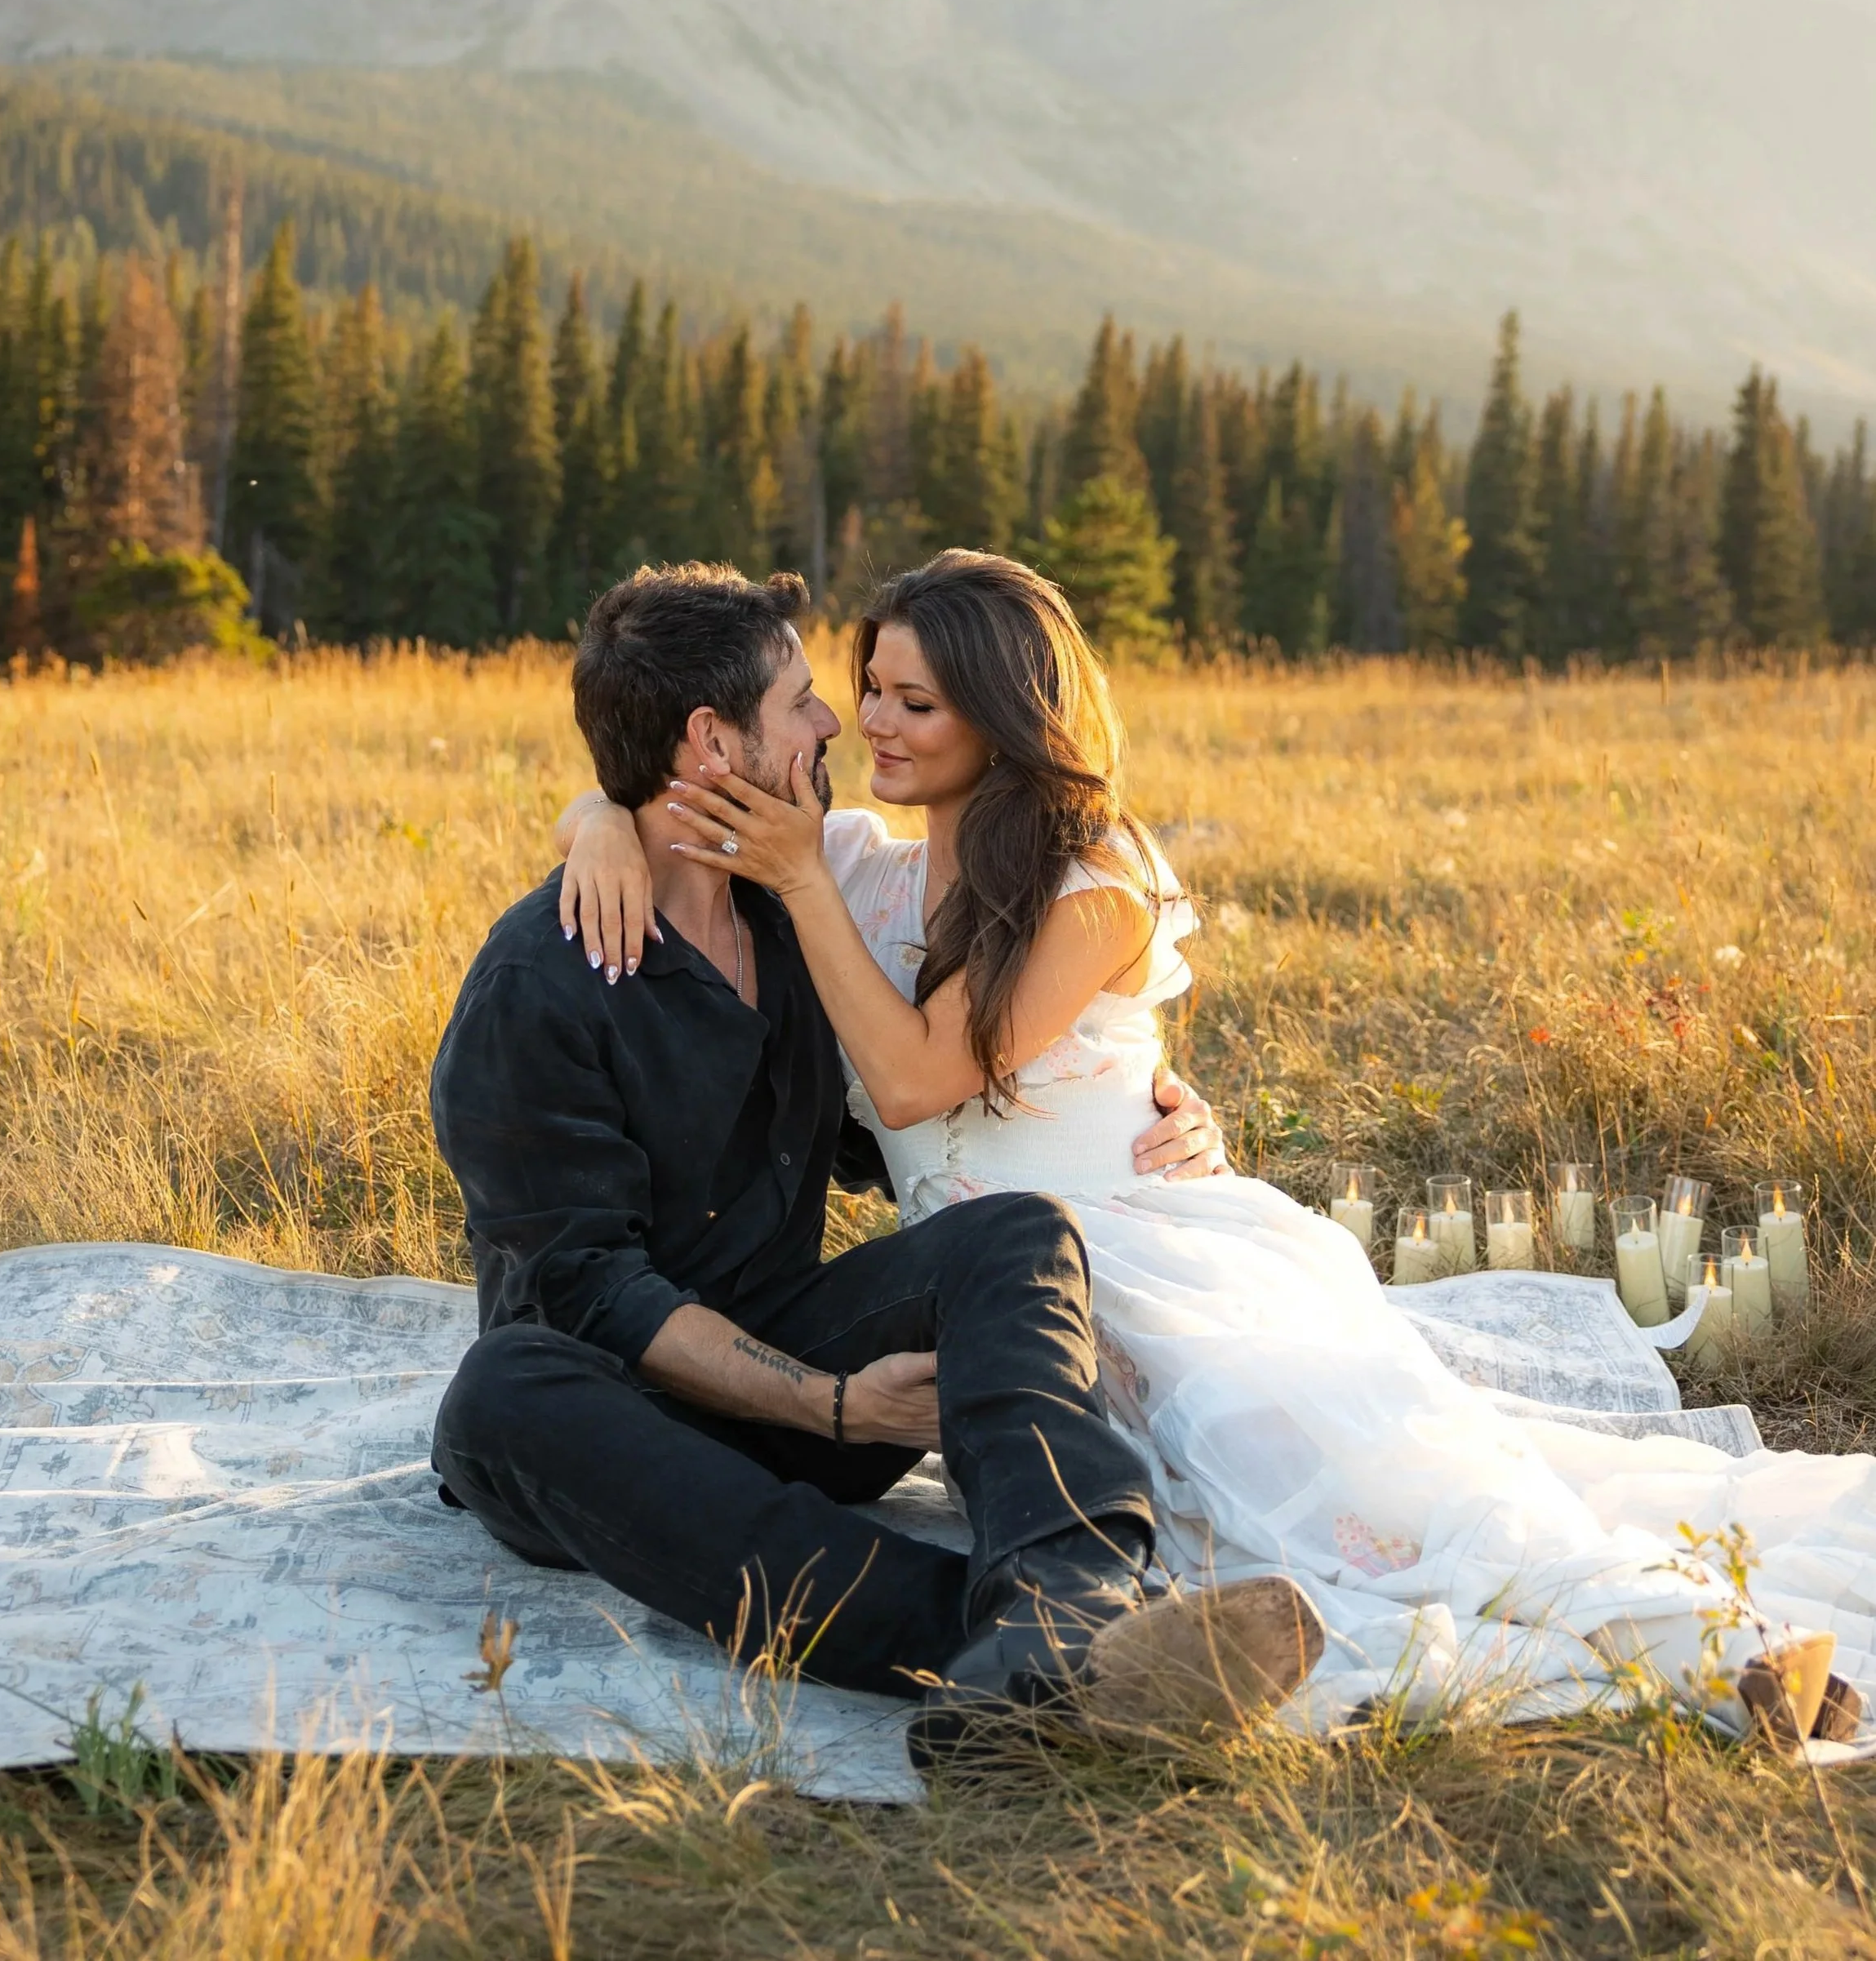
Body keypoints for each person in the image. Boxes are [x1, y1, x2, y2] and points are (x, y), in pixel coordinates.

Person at [561, 548, 1876, 1743]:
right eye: (869, 689)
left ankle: (1730, 1652)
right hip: (1000, 1293)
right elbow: (662, 786)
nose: (871, 725)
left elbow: (910, 1086)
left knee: (1399, 1513)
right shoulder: (852, 865)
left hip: (1151, 1257)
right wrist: (597, 824)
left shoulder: (1092, 881)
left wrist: (793, 883)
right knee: (1153, 1539)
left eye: (918, 701)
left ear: (1006, 712)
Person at [429, 561, 1320, 1773]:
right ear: (709, 740)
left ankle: (1066, 1602)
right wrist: (828, 1405)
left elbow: (890, 1123)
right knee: (502, 1388)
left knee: (1013, 1229)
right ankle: (997, 1656)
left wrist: (1141, 1114)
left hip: (792, 1356)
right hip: (616, 1423)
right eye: (803, 698)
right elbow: (592, 1290)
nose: (834, 719)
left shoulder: (795, 922)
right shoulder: (541, 981)